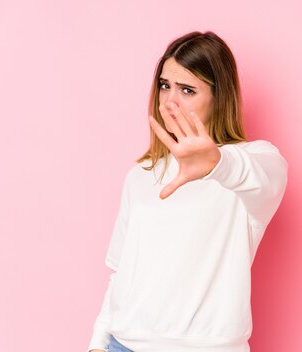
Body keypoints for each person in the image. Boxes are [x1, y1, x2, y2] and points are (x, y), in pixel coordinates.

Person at [87, 31, 288, 352]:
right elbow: (121, 271)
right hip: (122, 345)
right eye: (165, 85)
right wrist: (97, 342)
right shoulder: (141, 174)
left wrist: (217, 163)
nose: (170, 101)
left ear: (219, 97)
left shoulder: (253, 163)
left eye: (187, 90)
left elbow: (265, 177)